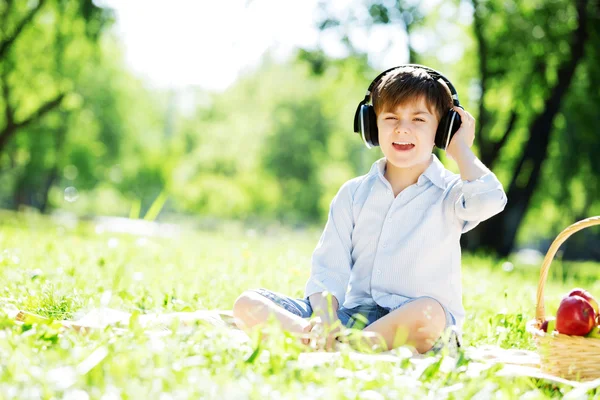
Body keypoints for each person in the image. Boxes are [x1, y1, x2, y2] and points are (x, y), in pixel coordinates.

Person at [232, 65, 507, 355]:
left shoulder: (452, 193)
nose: (402, 128)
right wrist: (325, 320)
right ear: (372, 126)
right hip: (355, 317)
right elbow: (329, 269)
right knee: (248, 303)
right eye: (391, 118)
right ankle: (321, 338)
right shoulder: (353, 194)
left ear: (442, 130)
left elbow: (490, 201)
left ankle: (346, 346)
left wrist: (460, 149)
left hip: (415, 320)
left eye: (418, 119)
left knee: (430, 313)